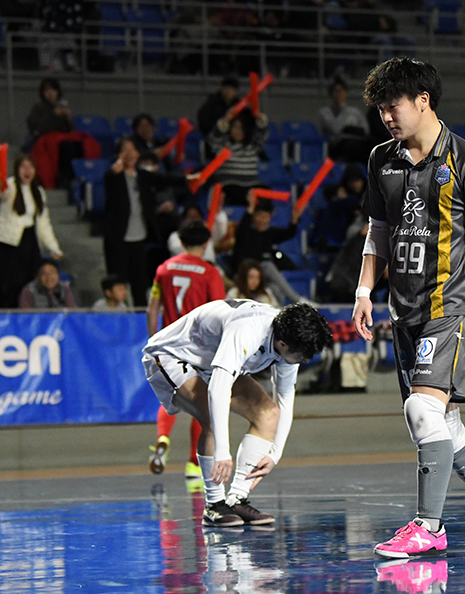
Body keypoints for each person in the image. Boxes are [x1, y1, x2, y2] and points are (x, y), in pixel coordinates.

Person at [353, 57, 465, 558]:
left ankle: (429, 527)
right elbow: (378, 230)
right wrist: (364, 291)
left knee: (421, 410)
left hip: (449, 307)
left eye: (393, 106)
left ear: (423, 101)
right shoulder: (381, 158)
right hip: (404, 312)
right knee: (444, 426)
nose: (386, 117)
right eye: (380, 109)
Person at [142, 300, 332, 527]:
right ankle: (214, 505)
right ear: (282, 344)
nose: (306, 361)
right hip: (172, 355)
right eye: (303, 356)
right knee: (210, 417)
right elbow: (218, 389)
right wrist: (223, 452)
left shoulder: (290, 337)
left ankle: (236, 499)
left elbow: (284, 397)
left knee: (268, 414)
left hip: (211, 361)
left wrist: (275, 454)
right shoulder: (248, 330)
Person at [146, 222, 227, 480]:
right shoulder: (210, 273)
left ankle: (163, 438)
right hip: (199, 346)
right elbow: (220, 312)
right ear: (206, 243)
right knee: (201, 401)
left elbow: (152, 309)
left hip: (169, 342)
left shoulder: (164, 269)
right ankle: (194, 463)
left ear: (181, 242)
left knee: (171, 395)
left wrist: (154, 340)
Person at [103, 137, 196, 306]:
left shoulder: (142, 175)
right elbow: (109, 179)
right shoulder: (114, 176)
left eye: (133, 149)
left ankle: (140, 313)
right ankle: (120, 313)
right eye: (125, 150)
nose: (130, 154)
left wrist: (187, 179)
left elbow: (163, 179)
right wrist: (115, 169)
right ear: (119, 154)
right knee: (118, 281)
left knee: (140, 281)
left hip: (139, 236)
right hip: (118, 239)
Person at [0, 155, 64, 308]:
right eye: (23, 166)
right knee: (9, 285)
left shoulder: (38, 191)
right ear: (17, 170)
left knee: (30, 282)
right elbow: (2, 191)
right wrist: (1, 181)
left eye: (30, 167)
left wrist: (53, 247)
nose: (27, 170)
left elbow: (44, 223)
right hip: (9, 244)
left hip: (30, 242)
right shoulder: (10, 186)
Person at [232, 196, 307, 304]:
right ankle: (297, 300)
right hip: (244, 274)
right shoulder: (245, 231)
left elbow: (288, 233)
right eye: (260, 216)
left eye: (266, 217)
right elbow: (242, 228)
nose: (263, 220)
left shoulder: (269, 233)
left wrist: (294, 219)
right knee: (267, 265)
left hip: (262, 278)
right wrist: (251, 207)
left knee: (276, 289)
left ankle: (278, 312)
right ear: (254, 215)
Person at [207, 110, 268, 205]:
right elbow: (214, 138)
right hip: (229, 185)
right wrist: (225, 120)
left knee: (264, 194)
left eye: (241, 128)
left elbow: (262, 135)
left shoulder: (253, 146)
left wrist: (261, 119)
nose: (237, 131)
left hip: (251, 185)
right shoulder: (222, 145)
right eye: (235, 127)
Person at [319, 78, 371, 163]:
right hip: (336, 146)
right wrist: (350, 128)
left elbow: (365, 130)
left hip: (357, 144)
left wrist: (348, 129)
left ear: (346, 93)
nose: (338, 94)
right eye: (336, 91)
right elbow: (336, 129)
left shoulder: (355, 112)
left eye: (341, 91)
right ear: (331, 94)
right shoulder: (325, 112)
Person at [167, 204, 229, 269]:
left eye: (196, 217)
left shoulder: (207, 234)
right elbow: (176, 249)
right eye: (190, 217)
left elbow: (221, 230)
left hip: (208, 269)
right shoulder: (175, 236)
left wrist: (218, 212)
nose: (193, 220)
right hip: (182, 269)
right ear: (183, 219)